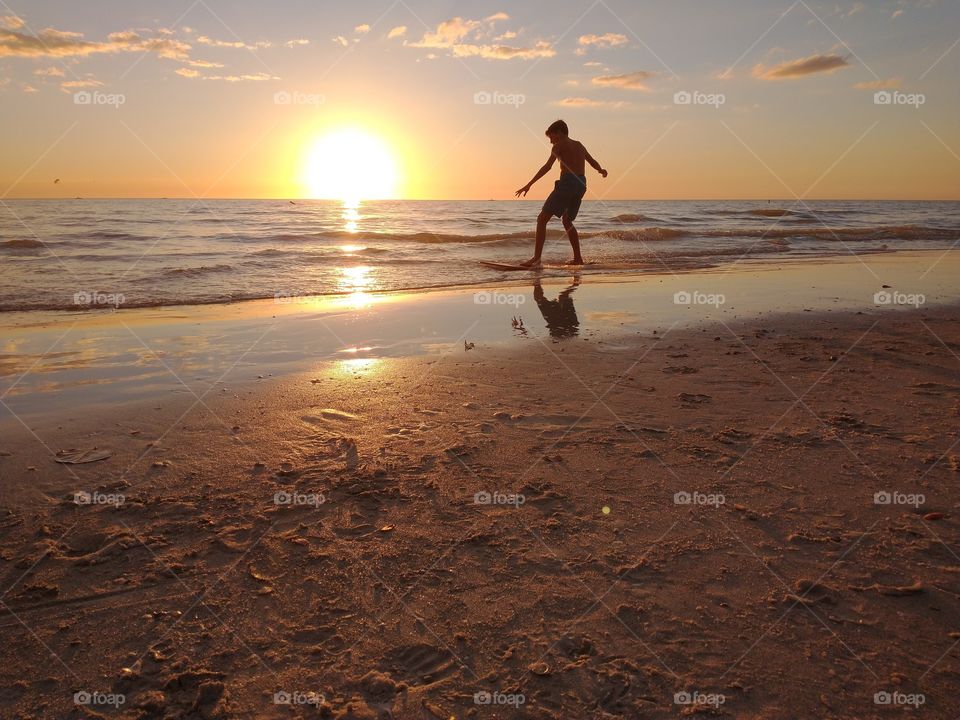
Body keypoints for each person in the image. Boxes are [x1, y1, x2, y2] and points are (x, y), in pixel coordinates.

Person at [515, 119, 607, 268]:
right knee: (567, 221)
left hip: (568, 183)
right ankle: (578, 258)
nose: (551, 142)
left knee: (542, 219)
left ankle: (536, 259)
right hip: (582, 183)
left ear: (559, 133)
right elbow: (592, 161)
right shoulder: (579, 145)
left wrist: (529, 184)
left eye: (551, 137)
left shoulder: (559, 145)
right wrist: (601, 170)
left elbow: (547, 167)